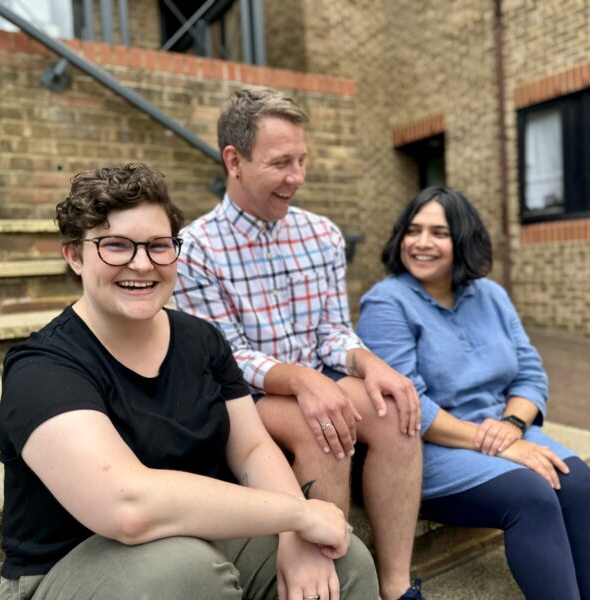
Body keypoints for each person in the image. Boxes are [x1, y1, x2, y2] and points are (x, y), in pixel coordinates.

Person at [0, 163, 380, 600]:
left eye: (159, 246)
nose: (142, 264)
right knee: (183, 572)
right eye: (116, 246)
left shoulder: (201, 340)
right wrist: (296, 515)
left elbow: (253, 449)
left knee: (342, 559)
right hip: (73, 566)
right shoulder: (43, 368)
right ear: (74, 255)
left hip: (198, 542)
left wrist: (294, 530)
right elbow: (127, 506)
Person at [173, 87, 425, 600]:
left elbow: (333, 331)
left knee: (395, 406)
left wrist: (366, 361)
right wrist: (304, 380)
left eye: (302, 160)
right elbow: (229, 358)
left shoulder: (323, 235)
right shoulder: (195, 249)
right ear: (234, 160)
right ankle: (334, 582)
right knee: (322, 424)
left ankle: (395, 586)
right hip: (244, 402)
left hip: (315, 384)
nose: (297, 178)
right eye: (281, 162)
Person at [357, 186, 590, 600]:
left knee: (580, 482)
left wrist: (512, 426)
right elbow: (410, 407)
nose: (422, 243)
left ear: (462, 239)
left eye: (439, 233)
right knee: (530, 494)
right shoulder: (386, 303)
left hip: (502, 429)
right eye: (413, 231)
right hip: (428, 448)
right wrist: (495, 444)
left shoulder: (492, 296)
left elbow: (531, 375)